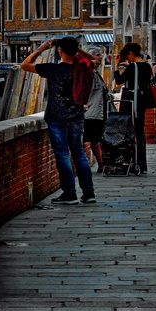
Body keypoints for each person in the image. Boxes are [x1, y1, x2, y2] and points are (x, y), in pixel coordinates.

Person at [20, 36, 97, 204]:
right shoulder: (83, 67)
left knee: (62, 155)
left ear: (60, 51)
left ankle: (70, 193)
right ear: (75, 50)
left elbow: (24, 65)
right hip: (77, 117)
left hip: (57, 118)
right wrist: (77, 49)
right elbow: (95, 60)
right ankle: (88, 193)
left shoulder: (52, 69)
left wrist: (42, 48)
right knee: (80, 154)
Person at [108, 42, 153, 176]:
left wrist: (116, 66)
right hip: (142, 102)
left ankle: (130, 162)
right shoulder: (146, 66)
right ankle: (141, 163)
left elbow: (119, 80)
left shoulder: (132, 67)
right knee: (140, 132)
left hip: (130, 102)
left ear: (131, 54)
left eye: (126, 57)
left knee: (128, 132)